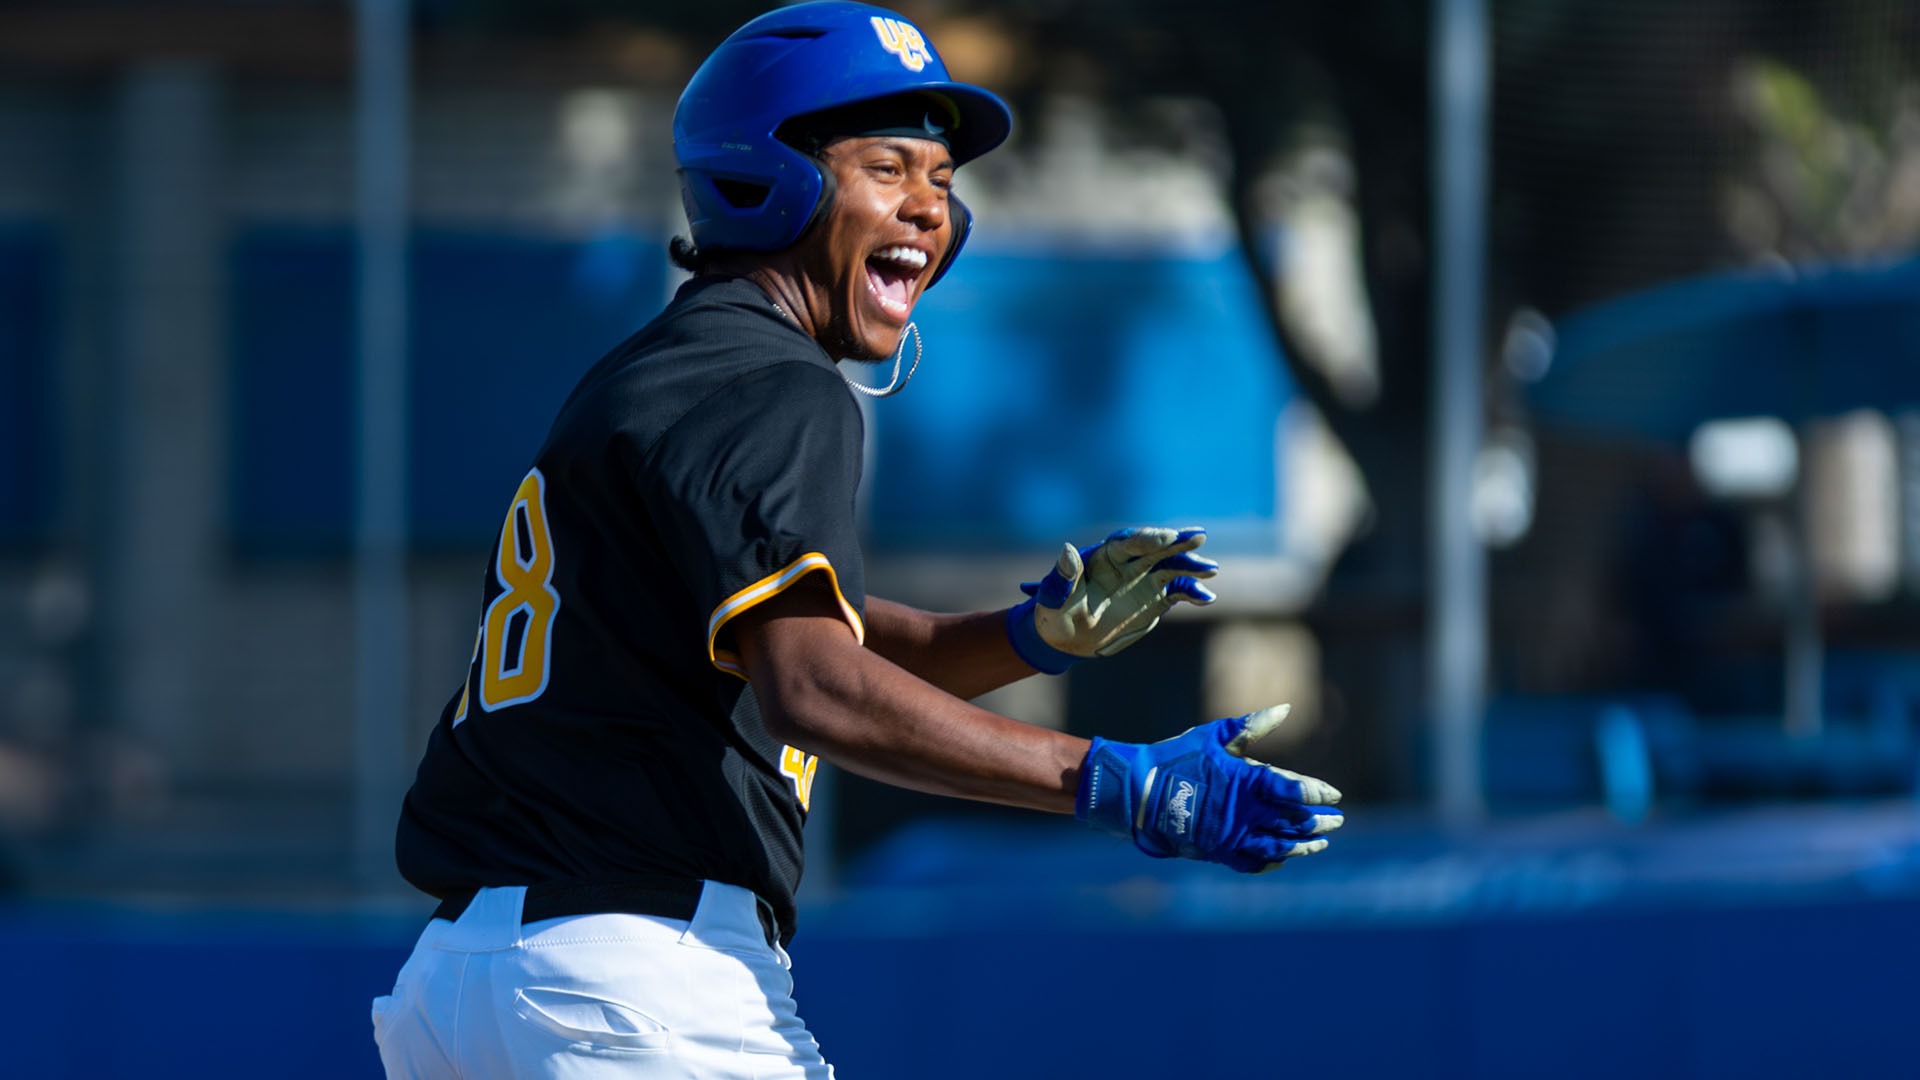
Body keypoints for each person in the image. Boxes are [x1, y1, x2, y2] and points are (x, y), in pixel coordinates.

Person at [371, 3, 1343, 1077]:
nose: (931, 208)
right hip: (633, 979)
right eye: (890, 167)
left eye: (943, 180)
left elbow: (814, 640)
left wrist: (1033, 637)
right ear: (768, 175)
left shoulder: (657, 368)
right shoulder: (780, 387)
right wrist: (1114, 778)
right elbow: (814, 686)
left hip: (467, 988)